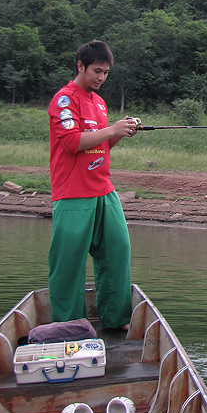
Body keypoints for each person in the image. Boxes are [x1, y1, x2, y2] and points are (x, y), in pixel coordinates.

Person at [48, 40, 138, 329]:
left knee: (117, 250)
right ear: (80, 66)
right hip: (73, 194)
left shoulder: (99, 103)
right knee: (69, 263)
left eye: (106, 73)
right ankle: (69, 324)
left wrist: (119, 132)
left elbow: (101, 145)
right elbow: (72, 142)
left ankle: (115, 318)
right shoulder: (64, 100)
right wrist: (110, 129)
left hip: (103, 189)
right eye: (97, 71)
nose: (101, 77)